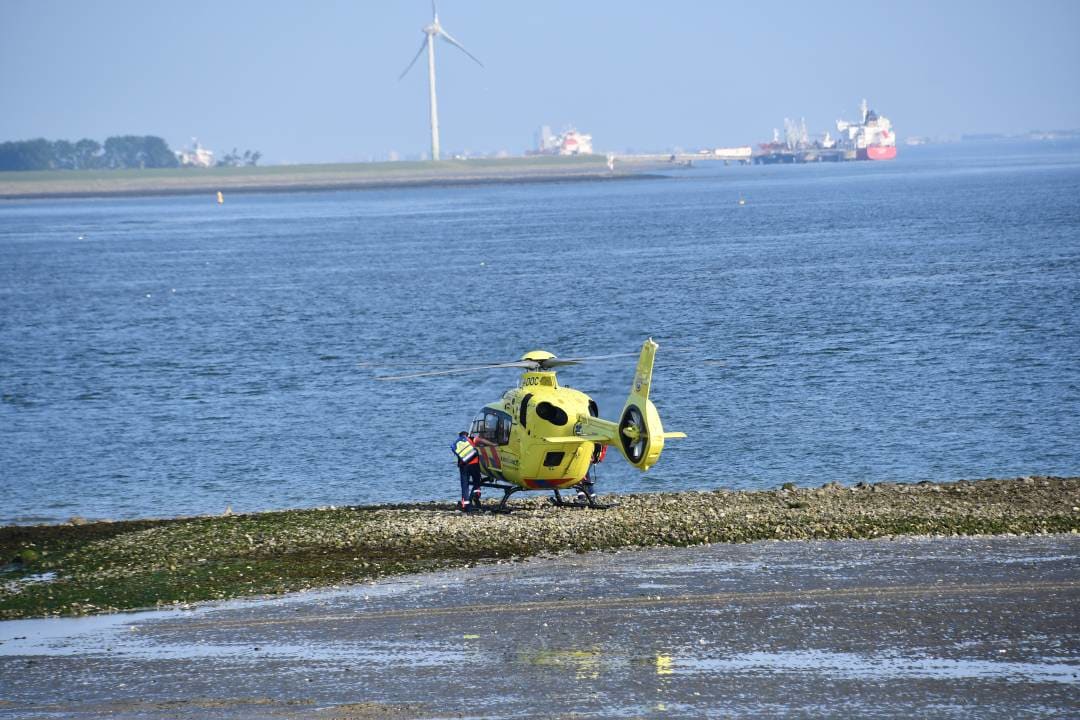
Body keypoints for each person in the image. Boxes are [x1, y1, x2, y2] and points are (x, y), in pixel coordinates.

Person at [451, 430, 480, 511]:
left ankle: (465, 505)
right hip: (474, 465)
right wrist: (493, 444)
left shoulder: (458, 444)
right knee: (477, 480)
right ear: (467, 435)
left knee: (464, 485)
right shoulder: (471, 439)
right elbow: (481, 440)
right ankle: (476, 495)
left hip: (463, 466)